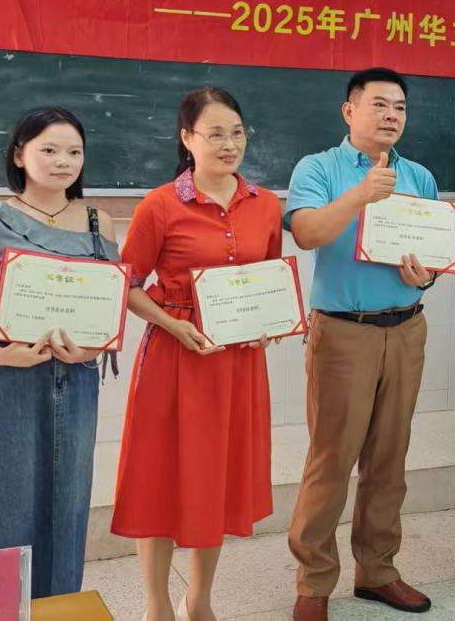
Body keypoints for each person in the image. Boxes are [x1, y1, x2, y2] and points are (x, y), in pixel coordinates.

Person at [111, 87, 280, 621]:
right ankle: (157, 604)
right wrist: (170, 323)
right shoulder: (160, 205)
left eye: (237, 133)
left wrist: (268, 327)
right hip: (175, 356)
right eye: (215, 134)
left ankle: (199, 600)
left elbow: (270, 282)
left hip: (236, 362)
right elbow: (127, 284)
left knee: (216, 480)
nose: (229, 144)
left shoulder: (266, 204)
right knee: (160, 480)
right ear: (187, 138)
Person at [0, 106, 118, 598]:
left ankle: (56, 606)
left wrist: (90, 347)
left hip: (77, 383)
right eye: (49, 150)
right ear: (19, 154)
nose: (64, 161)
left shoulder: (99, 222)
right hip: (7, 380)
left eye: (74, 152)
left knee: (67, 506)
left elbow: (107, 305)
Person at [287, 68, 439, 621]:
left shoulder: (419, 176)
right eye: (379, 104)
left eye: (400, 107)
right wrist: (361, 194)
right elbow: (307, 232)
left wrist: (426, 275)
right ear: (349, 110)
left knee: (389, 459)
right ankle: (314, 582)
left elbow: (432, 255)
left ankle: (377, 571)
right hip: (343, 332)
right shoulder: (318, 168)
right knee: (331, 460)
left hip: (406, 327)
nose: (391, 115)